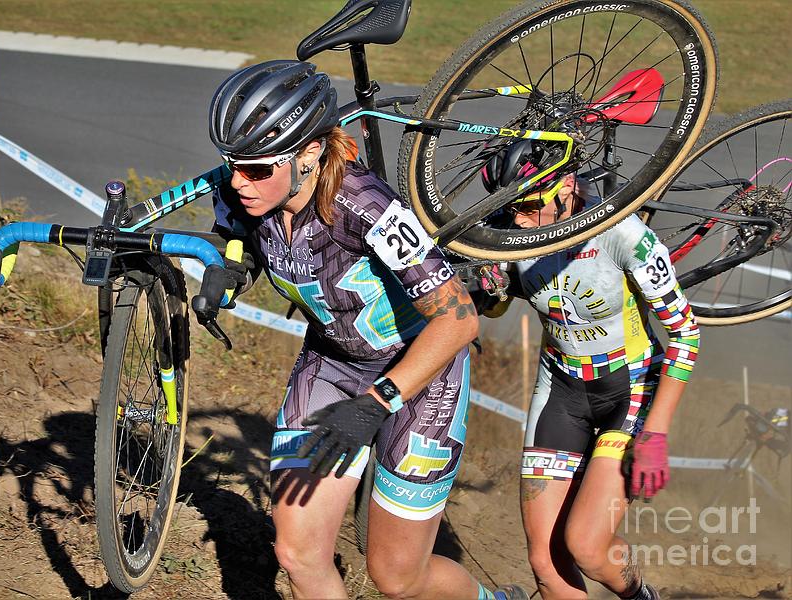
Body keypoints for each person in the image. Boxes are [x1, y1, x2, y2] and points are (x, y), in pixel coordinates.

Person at [208, 60, 526, 600]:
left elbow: (458, 320)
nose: (239, 182)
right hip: (333, 363)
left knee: (397, 579)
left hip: (423, 374)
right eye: (232, 165)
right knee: (298, 554)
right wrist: (229, 265)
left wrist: (377, 403)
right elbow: (233, 233)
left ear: (310, 154)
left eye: (258, 170)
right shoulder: (246, 186)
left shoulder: (367, 206)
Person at [474, 169, 700, 600]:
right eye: (513, 207)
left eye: (528, 208)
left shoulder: (622, 232)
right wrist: (489, 289)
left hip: (628, 389)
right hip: (560, 388)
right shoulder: (508, 226)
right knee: (546, 562)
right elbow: (497, 305)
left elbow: (687, 333)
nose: (519, 220)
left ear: (567, 189)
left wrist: (656, 431)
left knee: (587, 549)